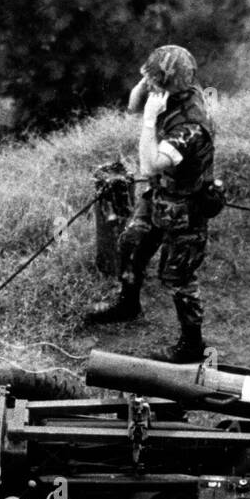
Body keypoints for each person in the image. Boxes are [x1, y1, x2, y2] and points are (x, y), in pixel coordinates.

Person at [85, 45, 216, 363]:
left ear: (170, 85)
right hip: (160, 196)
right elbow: (132, 105)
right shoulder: (172, 93)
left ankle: (192, 343)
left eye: (155, 81)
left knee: (177, 276)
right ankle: (127, 304)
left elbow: (149, 165)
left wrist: (149, 120)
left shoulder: (191, 127)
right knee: (131, 243)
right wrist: (146, 84)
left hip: (185, 208)